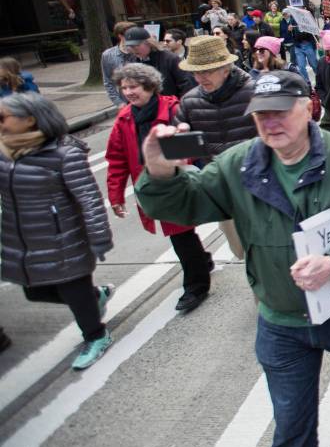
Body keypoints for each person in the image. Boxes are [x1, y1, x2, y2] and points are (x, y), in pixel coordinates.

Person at [136, 69, 330, 447]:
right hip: (280, 319)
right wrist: (159, 173)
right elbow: (187, 203)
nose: (270, 122)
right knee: (291, 429)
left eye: (280, 111)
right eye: (261, 114)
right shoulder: (238, 163)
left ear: (308, 108)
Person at [0, 93, 114, 370]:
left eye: (2, 117)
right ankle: (93, 296)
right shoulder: (5, 153)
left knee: (74, 292)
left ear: (29, 120)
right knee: (34, 292)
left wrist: (99, 238)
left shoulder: (64, 154)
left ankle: (96, 336)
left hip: (64, 239)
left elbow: (89, 199)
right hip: (24, 241)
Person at [106, 64, 212, 312]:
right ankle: (202, 261)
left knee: (180, 234)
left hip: (177, 182)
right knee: (182, 234)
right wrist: (115, 196)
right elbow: (117, 159)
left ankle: (196, 286)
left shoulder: (173, 109)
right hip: (150, 186)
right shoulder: (124, 118)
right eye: (124, 88)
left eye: (133, 86)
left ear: (150, 86)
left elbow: (194, 147)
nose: (128, 92)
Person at [173, 36, 258, 260]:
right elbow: (181, 153)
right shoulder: (189, 102)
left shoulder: (255, 92)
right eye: (196, 72)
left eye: (207, 71)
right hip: (223, 187)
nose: (200, 78)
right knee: (240, 251)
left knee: (269, 249)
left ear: (225, 68)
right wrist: (177, 141)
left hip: (261, 182)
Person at [123, 26, 194, 98]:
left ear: (149, 43)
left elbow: (187, 84)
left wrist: (180, 103)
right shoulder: (131, 62)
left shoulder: (169, 58)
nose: (133, 49)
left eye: (136, 45)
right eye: (130, 46)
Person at [101, 21, 137, 105]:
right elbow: (108, 81)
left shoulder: (139, 50)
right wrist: (118, 102)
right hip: (125, 101)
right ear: (120, 36)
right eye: (130, 35)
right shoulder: (108, 55)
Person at [287, 11, 319, 84]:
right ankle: (307, 83)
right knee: (301, 66)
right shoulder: (292, 19)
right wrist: (289, 30)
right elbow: (290, 33)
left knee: (314, 64)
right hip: (298, 46)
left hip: (309, 44)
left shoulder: (307, 18)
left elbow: (314, 31)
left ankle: (320, 79)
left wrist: (317, 41)